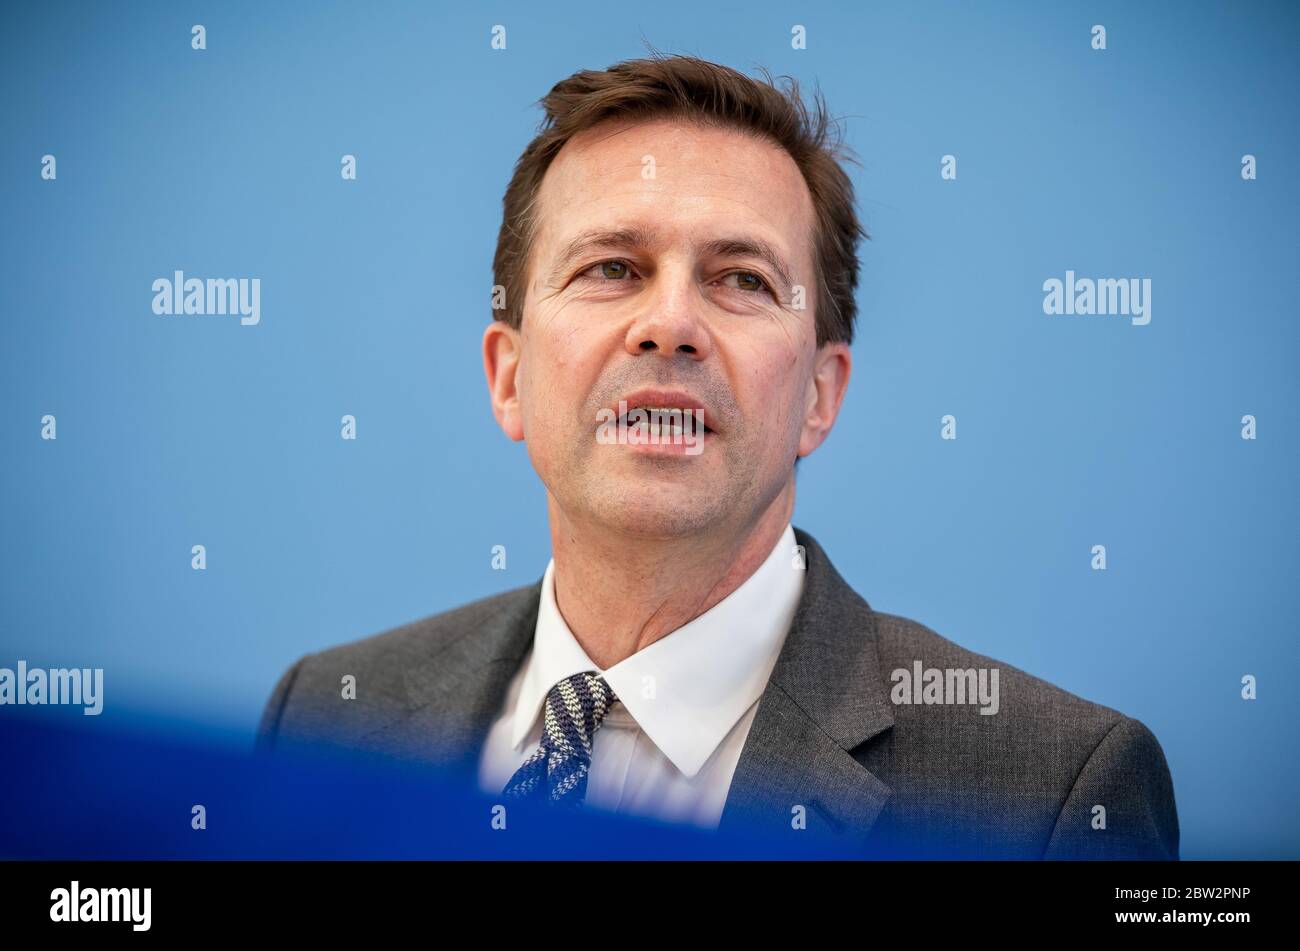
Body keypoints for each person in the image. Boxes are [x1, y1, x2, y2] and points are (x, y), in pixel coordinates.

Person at [257, 53, 1178, 860]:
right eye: (611, 267)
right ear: (508, 377)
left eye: (743, 278)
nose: (669, 326)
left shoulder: (1051, 794)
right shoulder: (328, 716)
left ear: (820, 394)